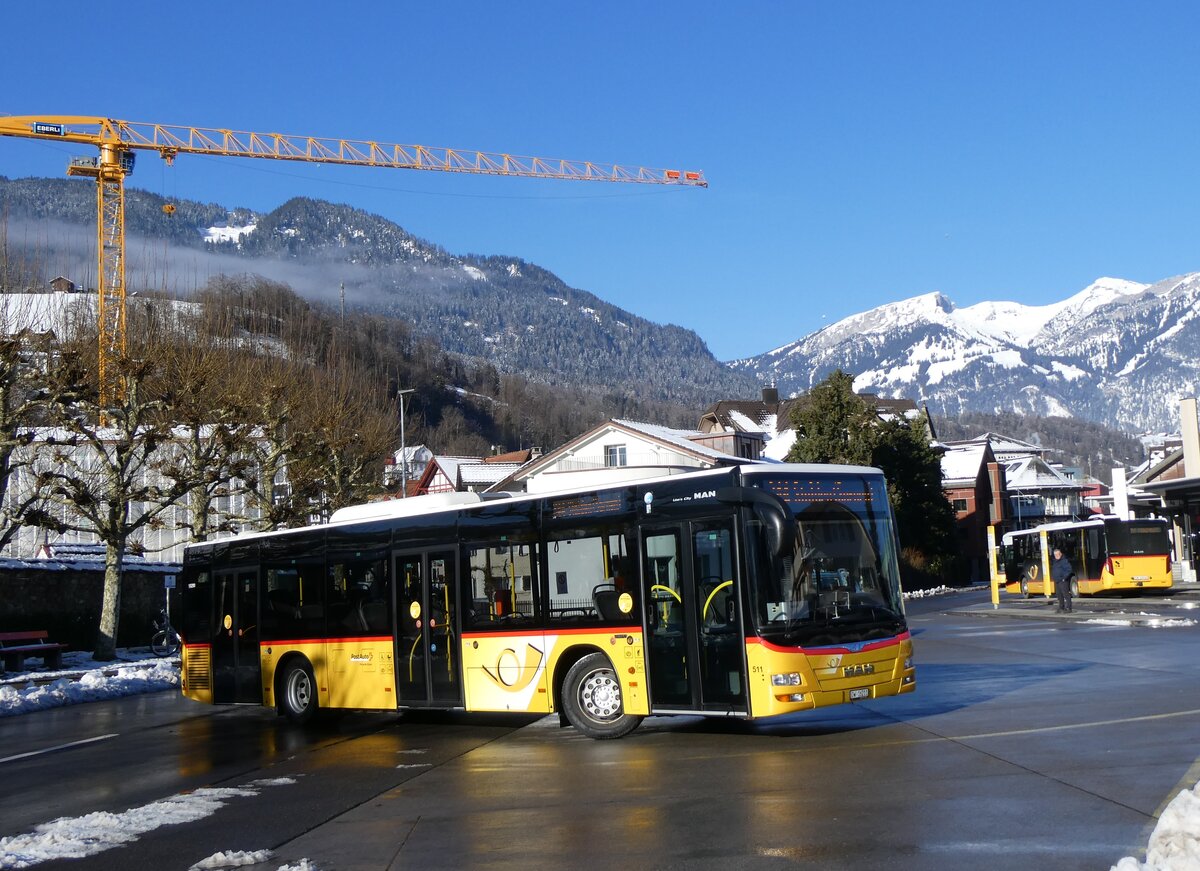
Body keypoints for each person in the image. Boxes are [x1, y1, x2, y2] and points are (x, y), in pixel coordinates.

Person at [1050, 546, 1074, 613]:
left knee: (1066, 594)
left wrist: (1064, 578)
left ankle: (1069, 608)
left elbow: (1069, 569)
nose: (1057, 556)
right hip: (1057, 581)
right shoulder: (1055, 561)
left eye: (1058, 554)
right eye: (1055, 555)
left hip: (1063, 580)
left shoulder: (1064, 561)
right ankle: (1061, 607)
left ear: (1060, 554)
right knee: (1059, 595)